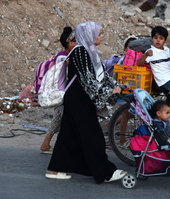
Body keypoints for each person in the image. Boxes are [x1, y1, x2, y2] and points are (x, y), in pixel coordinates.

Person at [45, 21, 129, 183]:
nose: (101, 36)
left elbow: (102, 76)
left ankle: (54, 169)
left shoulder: (89, 51)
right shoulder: (81, 52)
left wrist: (119, 86)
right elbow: (88, 80)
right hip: (79, 99)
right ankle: (105, 172)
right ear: (89, 36)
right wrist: (110, 92)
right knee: (93, 136)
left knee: (68, 136)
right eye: (98, 34)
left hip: (78, 98)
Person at [137, 26, 170, 133]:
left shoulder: (167, 50)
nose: (158, 40)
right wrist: (146, 54)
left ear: (165, 40)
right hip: (163, 80)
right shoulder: (151, 51)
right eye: (155, 38)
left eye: (161, 38)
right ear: (152, 39)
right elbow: (139, 63)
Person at [40, 26, 77, 154]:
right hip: (60, 93)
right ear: (70, 43)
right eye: (76, 42)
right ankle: (46, 144)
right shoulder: (62, 56)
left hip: (63, 93)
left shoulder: (65, 55)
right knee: (57, 120)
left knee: (61, 120)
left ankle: (55, 144)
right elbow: (68, 64)